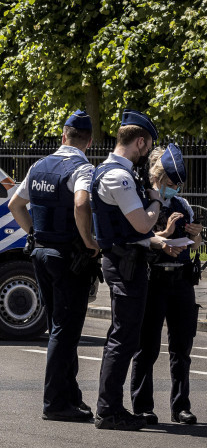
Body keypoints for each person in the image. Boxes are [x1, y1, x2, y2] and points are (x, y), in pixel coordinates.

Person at [7, 110, 98, 422]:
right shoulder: (83, 168)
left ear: (63, 135)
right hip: (68, 259)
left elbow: (15, 205)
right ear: (89, 140)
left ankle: (71, 396)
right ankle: (56, 403)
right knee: (65, 330)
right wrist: (88, 240)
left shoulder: (39, 166)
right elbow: (82, 203)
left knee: (58, 326)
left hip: (40, 254)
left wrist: (33, 232)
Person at [90, 109, 163, 431]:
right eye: (147, 148)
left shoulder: (111, 172)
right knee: (124, 338)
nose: (146, 154)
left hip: (124, 261)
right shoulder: (118, 176)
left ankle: (111, 407)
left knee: (123, 336)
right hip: (125, 265)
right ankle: (109, 409)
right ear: (141, 141)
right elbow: (142, 223)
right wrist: (156, 199)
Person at [131, 144, 202, 425]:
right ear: (157, 177)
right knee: (146, 347)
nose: (176, 190)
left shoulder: (182, 205)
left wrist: (196, 237)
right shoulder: (141, 201)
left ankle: (180, 406)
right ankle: (142, 406)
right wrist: (166, 234)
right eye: (171, 184)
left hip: (181, 279)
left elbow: (195, 245)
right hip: (154, 280)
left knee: (181, 348)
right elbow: (140, 238)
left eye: (178, 185)